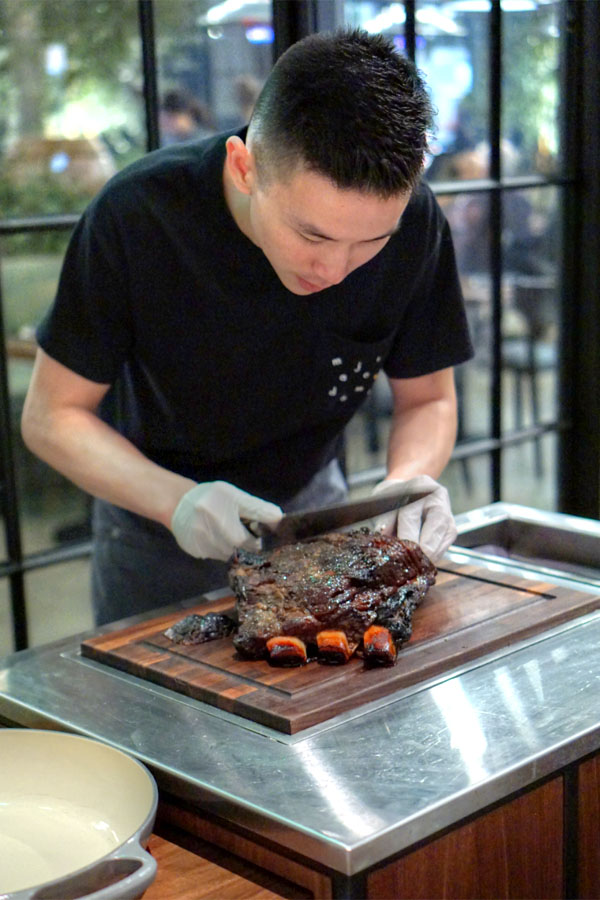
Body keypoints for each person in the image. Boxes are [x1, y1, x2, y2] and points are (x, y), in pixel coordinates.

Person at [21, 29, 473, 626]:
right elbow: (51, 417)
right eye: (312, 235)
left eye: (369, 243)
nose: (334, 270)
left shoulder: (414, 223)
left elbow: (428, 399)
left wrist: (406, 483)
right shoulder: (138, 217)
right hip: (155, 525)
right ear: (243, 167)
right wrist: (176, 501)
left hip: (315, 511)